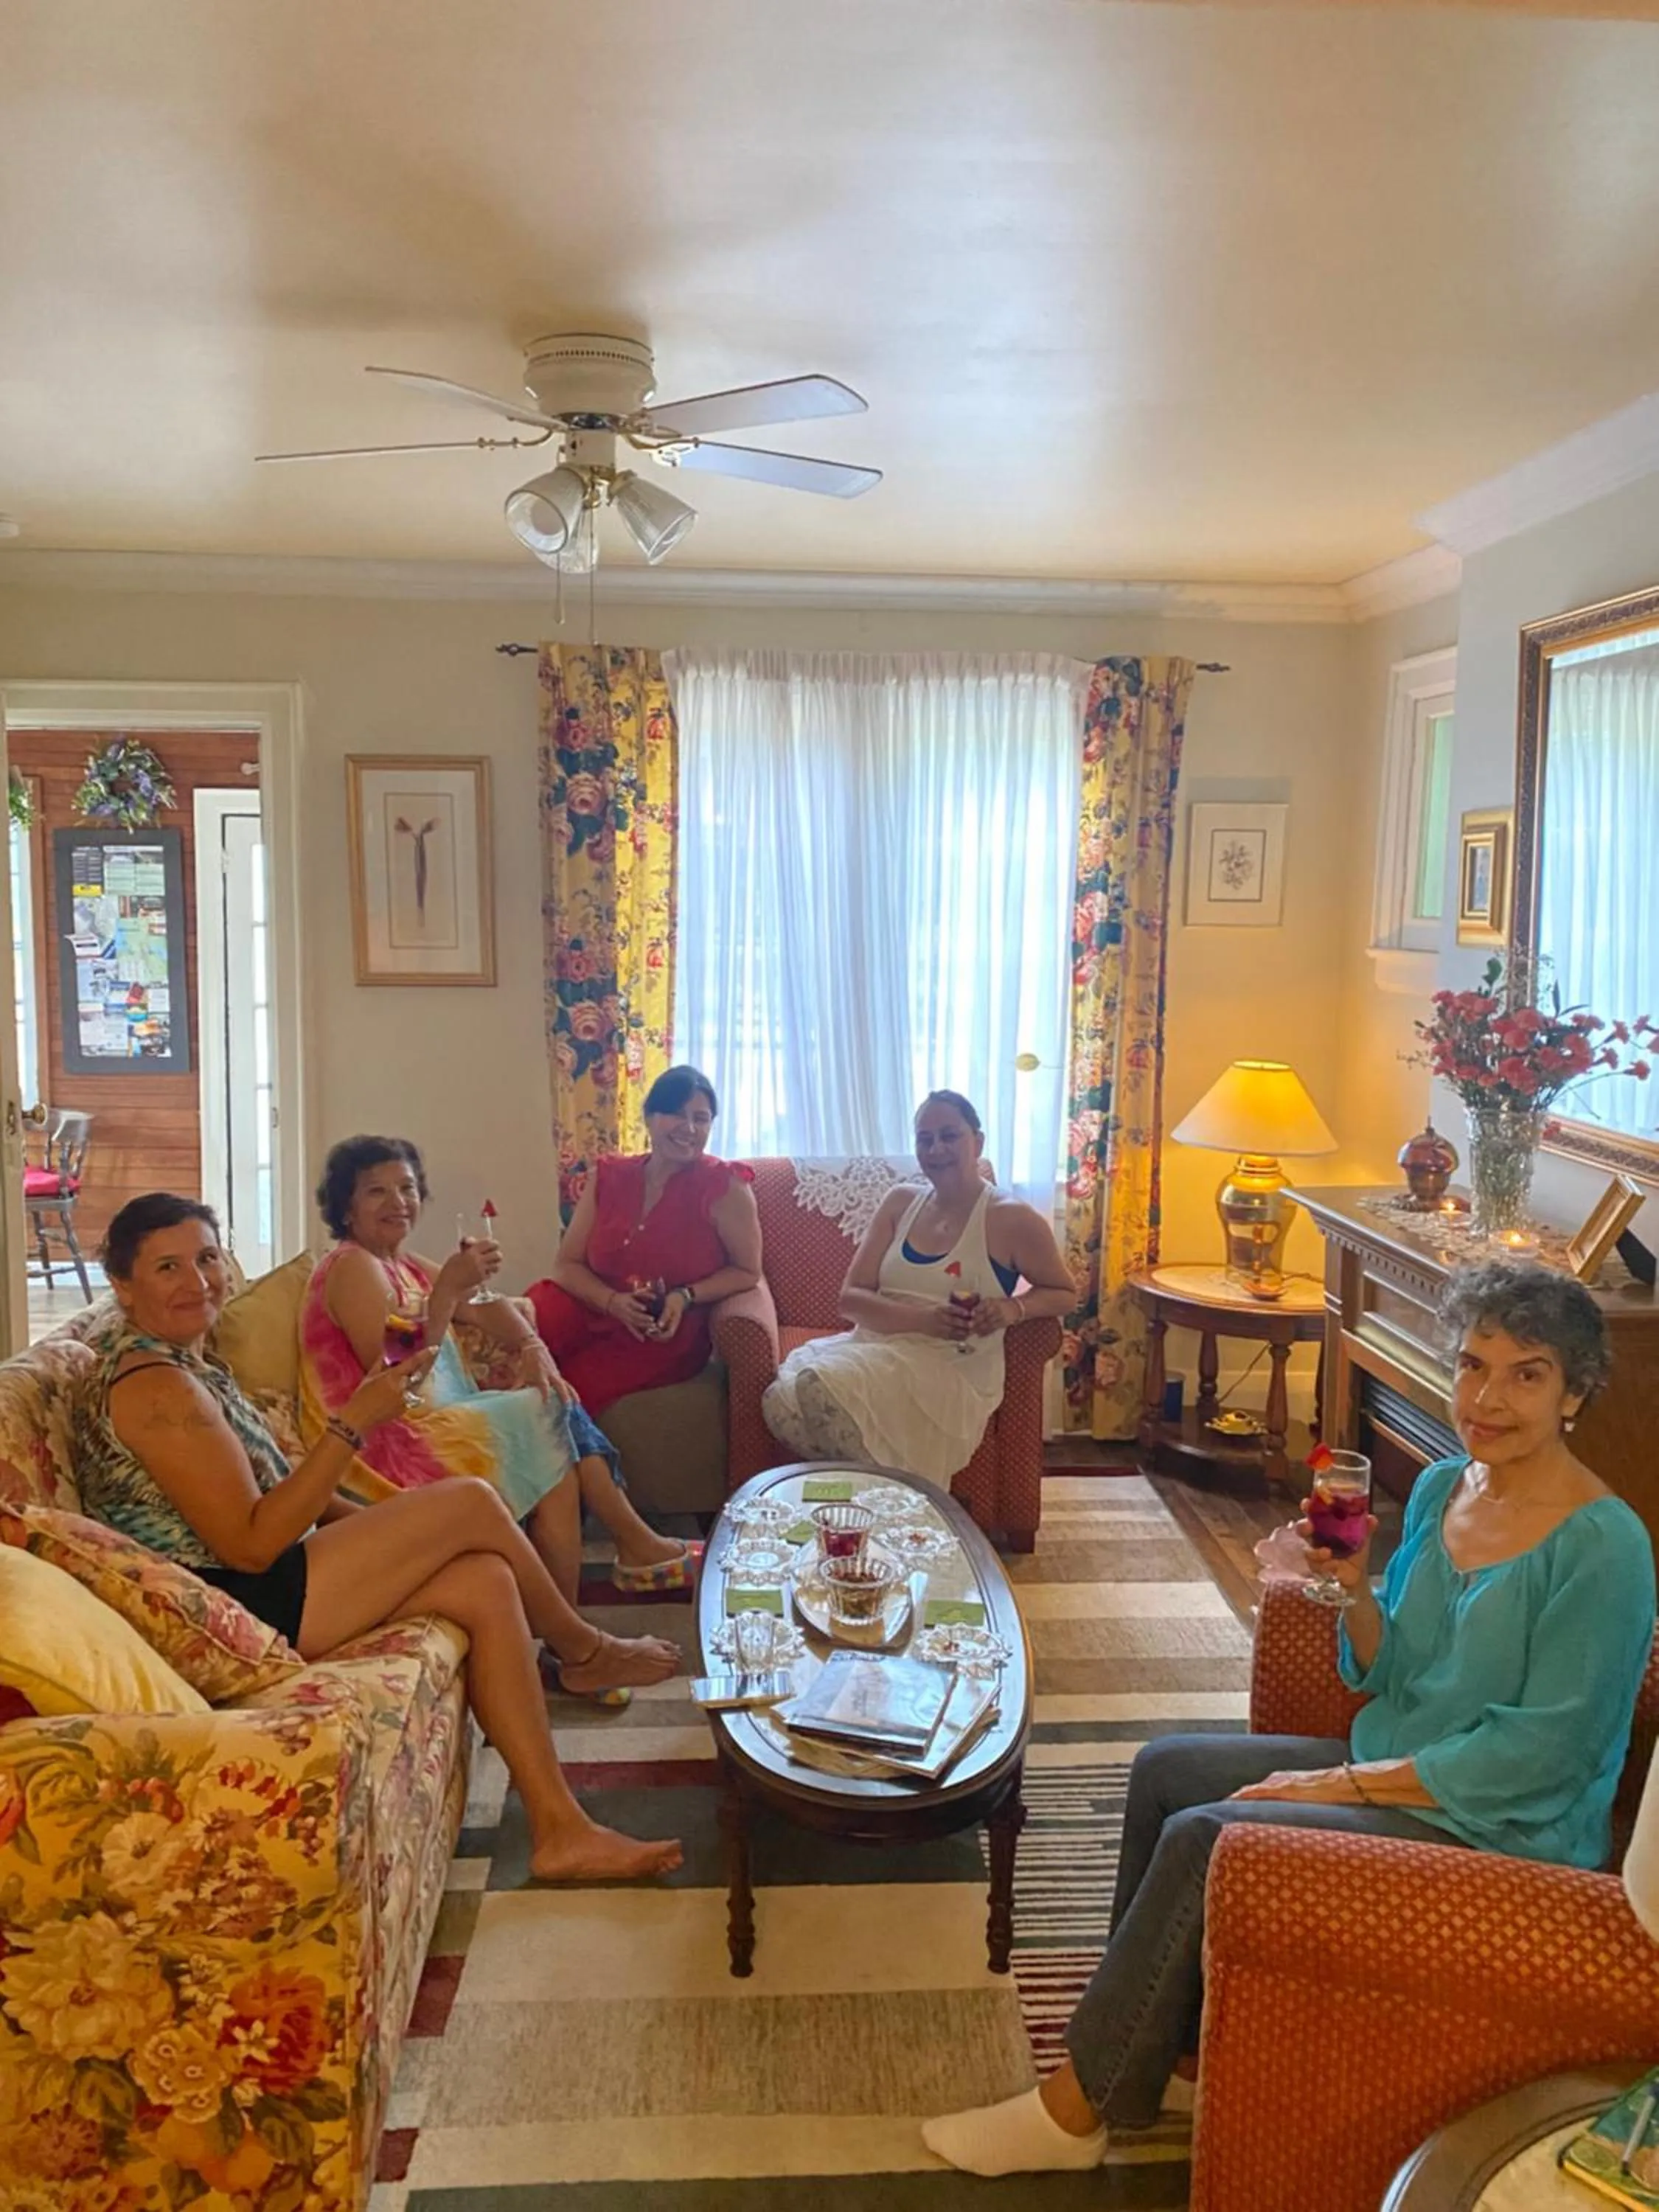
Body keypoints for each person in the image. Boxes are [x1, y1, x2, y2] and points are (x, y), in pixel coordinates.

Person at [923, 1259, 1656, 2174]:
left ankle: (1077, 2111)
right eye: (1474, 1364)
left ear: (1576, 1391)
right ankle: (1164, 2056)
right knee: (1163, 1769)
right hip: (1399, 1765)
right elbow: (1396, 1669)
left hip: (1497, 1831)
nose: (1488, 1397)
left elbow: (1540, 1758)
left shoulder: (1604, 1545)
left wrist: (1339, 1781)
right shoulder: (1443, 1489)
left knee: (1207, 1837)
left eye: (1527, 1374)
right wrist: (1351, 1594)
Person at [77, 1194, 684, 1884]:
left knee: (484, 1576)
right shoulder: (157, 1390)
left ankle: (561, 1830)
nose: (198, 1280)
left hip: (263, 1575)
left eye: (207, 1258)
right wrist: (355, 1422)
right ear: (123, 1287)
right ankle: (585, 1649)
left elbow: (277, 1501)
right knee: (470, 1503)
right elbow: (248, 1547)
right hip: (235, 1604)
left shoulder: (186, 1366)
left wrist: (387, 1525)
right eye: (167, 1268)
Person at [299, 1136, 694, 1612]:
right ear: (345, 1207)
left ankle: (568, 1620)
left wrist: (533, 1348)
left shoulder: (400, 1264)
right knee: (548, 1413)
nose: (398, 1202)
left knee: (551, 1415)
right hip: (383, 1445)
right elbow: (393, 1376)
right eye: (376, 1192)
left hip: (436, 1420)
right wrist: (446, 1292)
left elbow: (489, 1308)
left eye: (407, 1188)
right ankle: (609, 1575)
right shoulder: (352, 1267)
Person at [762, 1090, 1076, 1482]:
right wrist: (924, 1318)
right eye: (925, 1139)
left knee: (818, 1387)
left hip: (949, 1366)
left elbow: (1065, 1293)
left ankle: (879, 1504)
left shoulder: (1011, 1218)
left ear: (977, 1142)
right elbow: (851, 1300)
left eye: (949, 1136)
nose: (936, 1149)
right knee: (779, 1402)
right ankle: (875, 1501)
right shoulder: (900, 1203)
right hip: (873, 1346)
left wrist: (1014, 1309)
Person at [528, 1065, 763, 1414]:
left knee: (557, 1399)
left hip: (657, 1330)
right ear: (650, 1117)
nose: (689, 1129)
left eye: (701, 1118)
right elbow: (566, 1266)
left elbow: (747, 1271)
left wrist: (684, 1297)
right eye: (676, 1114)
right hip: (589, 1304)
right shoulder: (609, 1176)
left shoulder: (726, 1186)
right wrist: (612, 1302)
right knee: (512, 1342)